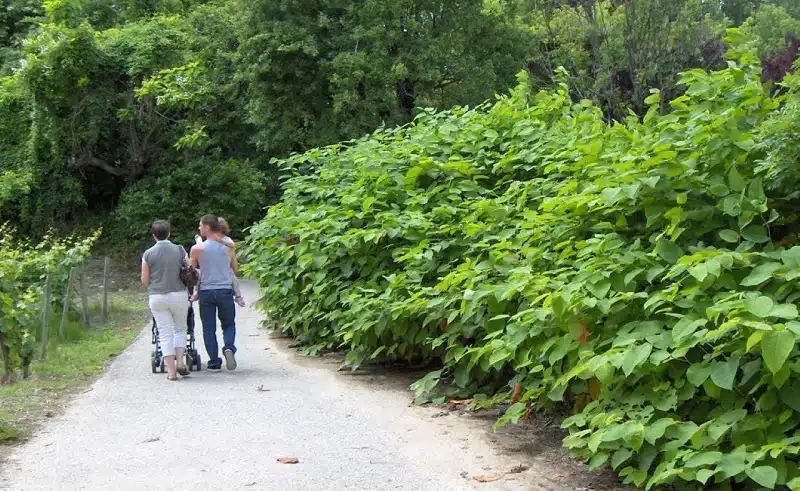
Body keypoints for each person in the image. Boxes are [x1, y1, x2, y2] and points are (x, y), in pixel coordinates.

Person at [140, 220, 190, 381]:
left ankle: (171, 372)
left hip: (157, 296)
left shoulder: (148, 254)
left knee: (164, 334)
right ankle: (181, 362)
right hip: (179, 294)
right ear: (169, 233)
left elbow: (145, 280)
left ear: (154, 236)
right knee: (180, 329)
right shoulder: (180, 250)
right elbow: (189, 271)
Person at [190, 215, 238, 371]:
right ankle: (229, 347)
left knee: (209, 328)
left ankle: (214, 362)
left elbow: (192, 272)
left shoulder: (197, 249)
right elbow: (235, 269)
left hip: (206, 291)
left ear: (207, 228)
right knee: (229, 324)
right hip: (225, 290)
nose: (199, 228)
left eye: (200, 225)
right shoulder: (229, 247)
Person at [193, 217, 245, 307]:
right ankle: (196, 292)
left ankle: (238, 296)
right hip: (224, 287)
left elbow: (232, 245)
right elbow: (235, 267)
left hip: (207, 288)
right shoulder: (212, 243)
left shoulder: (226, 240)